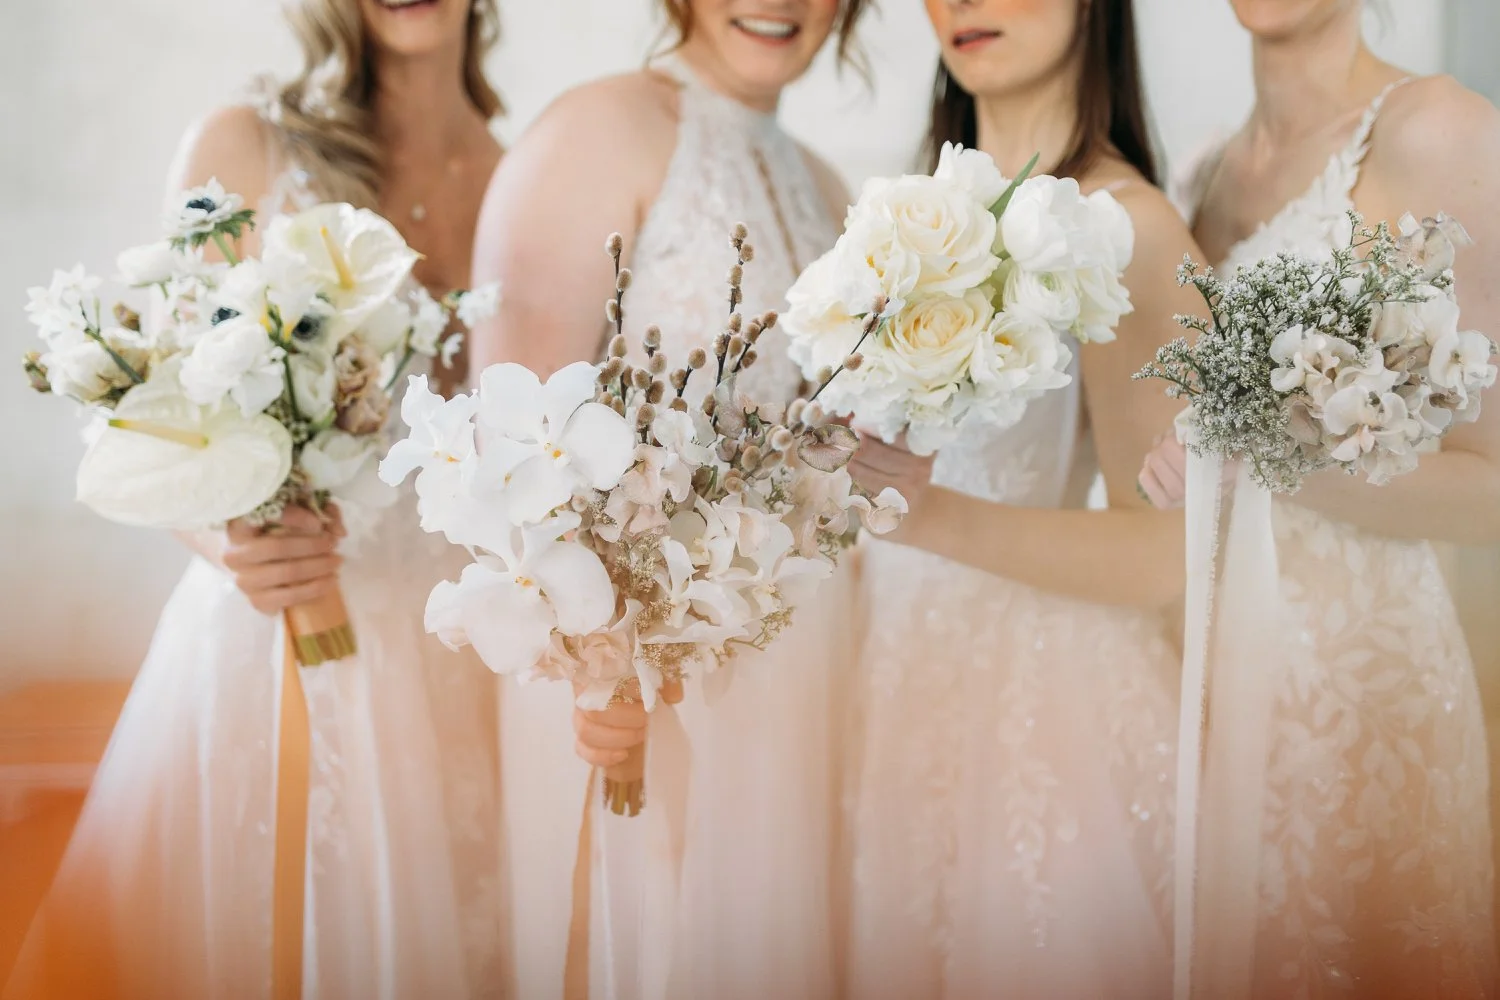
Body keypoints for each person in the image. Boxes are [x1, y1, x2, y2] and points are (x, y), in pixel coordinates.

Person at [5, 1, 505, 996]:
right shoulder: (244, 149)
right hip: (269, 634)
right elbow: (152, 416)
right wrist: (231, 537)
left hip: (457, 660)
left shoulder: (523, 180)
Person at [467, 2, 868, 996]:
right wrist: (601, 668)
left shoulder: (824, 183)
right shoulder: (595, 131)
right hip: (628, 692)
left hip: (800, 686)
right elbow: (509, 448)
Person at [1137, 0, 1500, 995]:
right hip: (1200, 685)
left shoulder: (1441, 131)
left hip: (1358, 701)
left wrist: (1276, 455)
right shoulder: (1197, 172)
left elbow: (1493, 489)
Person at [835, 0, 1198, 996]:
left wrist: (932, 515)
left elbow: (1164, 557)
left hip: (1041, 712)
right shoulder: (900, 211)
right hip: (894, 682)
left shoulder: (1131, 224)